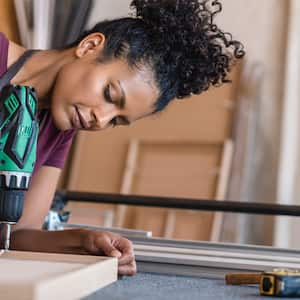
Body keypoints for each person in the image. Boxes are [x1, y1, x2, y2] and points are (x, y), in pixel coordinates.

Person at [0, 0, 244, 276]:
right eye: (109, 95)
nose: (101, 120)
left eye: (116, 120)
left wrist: (84, 241)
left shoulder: (61, 130)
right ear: (89, 46)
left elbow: (17, 236)